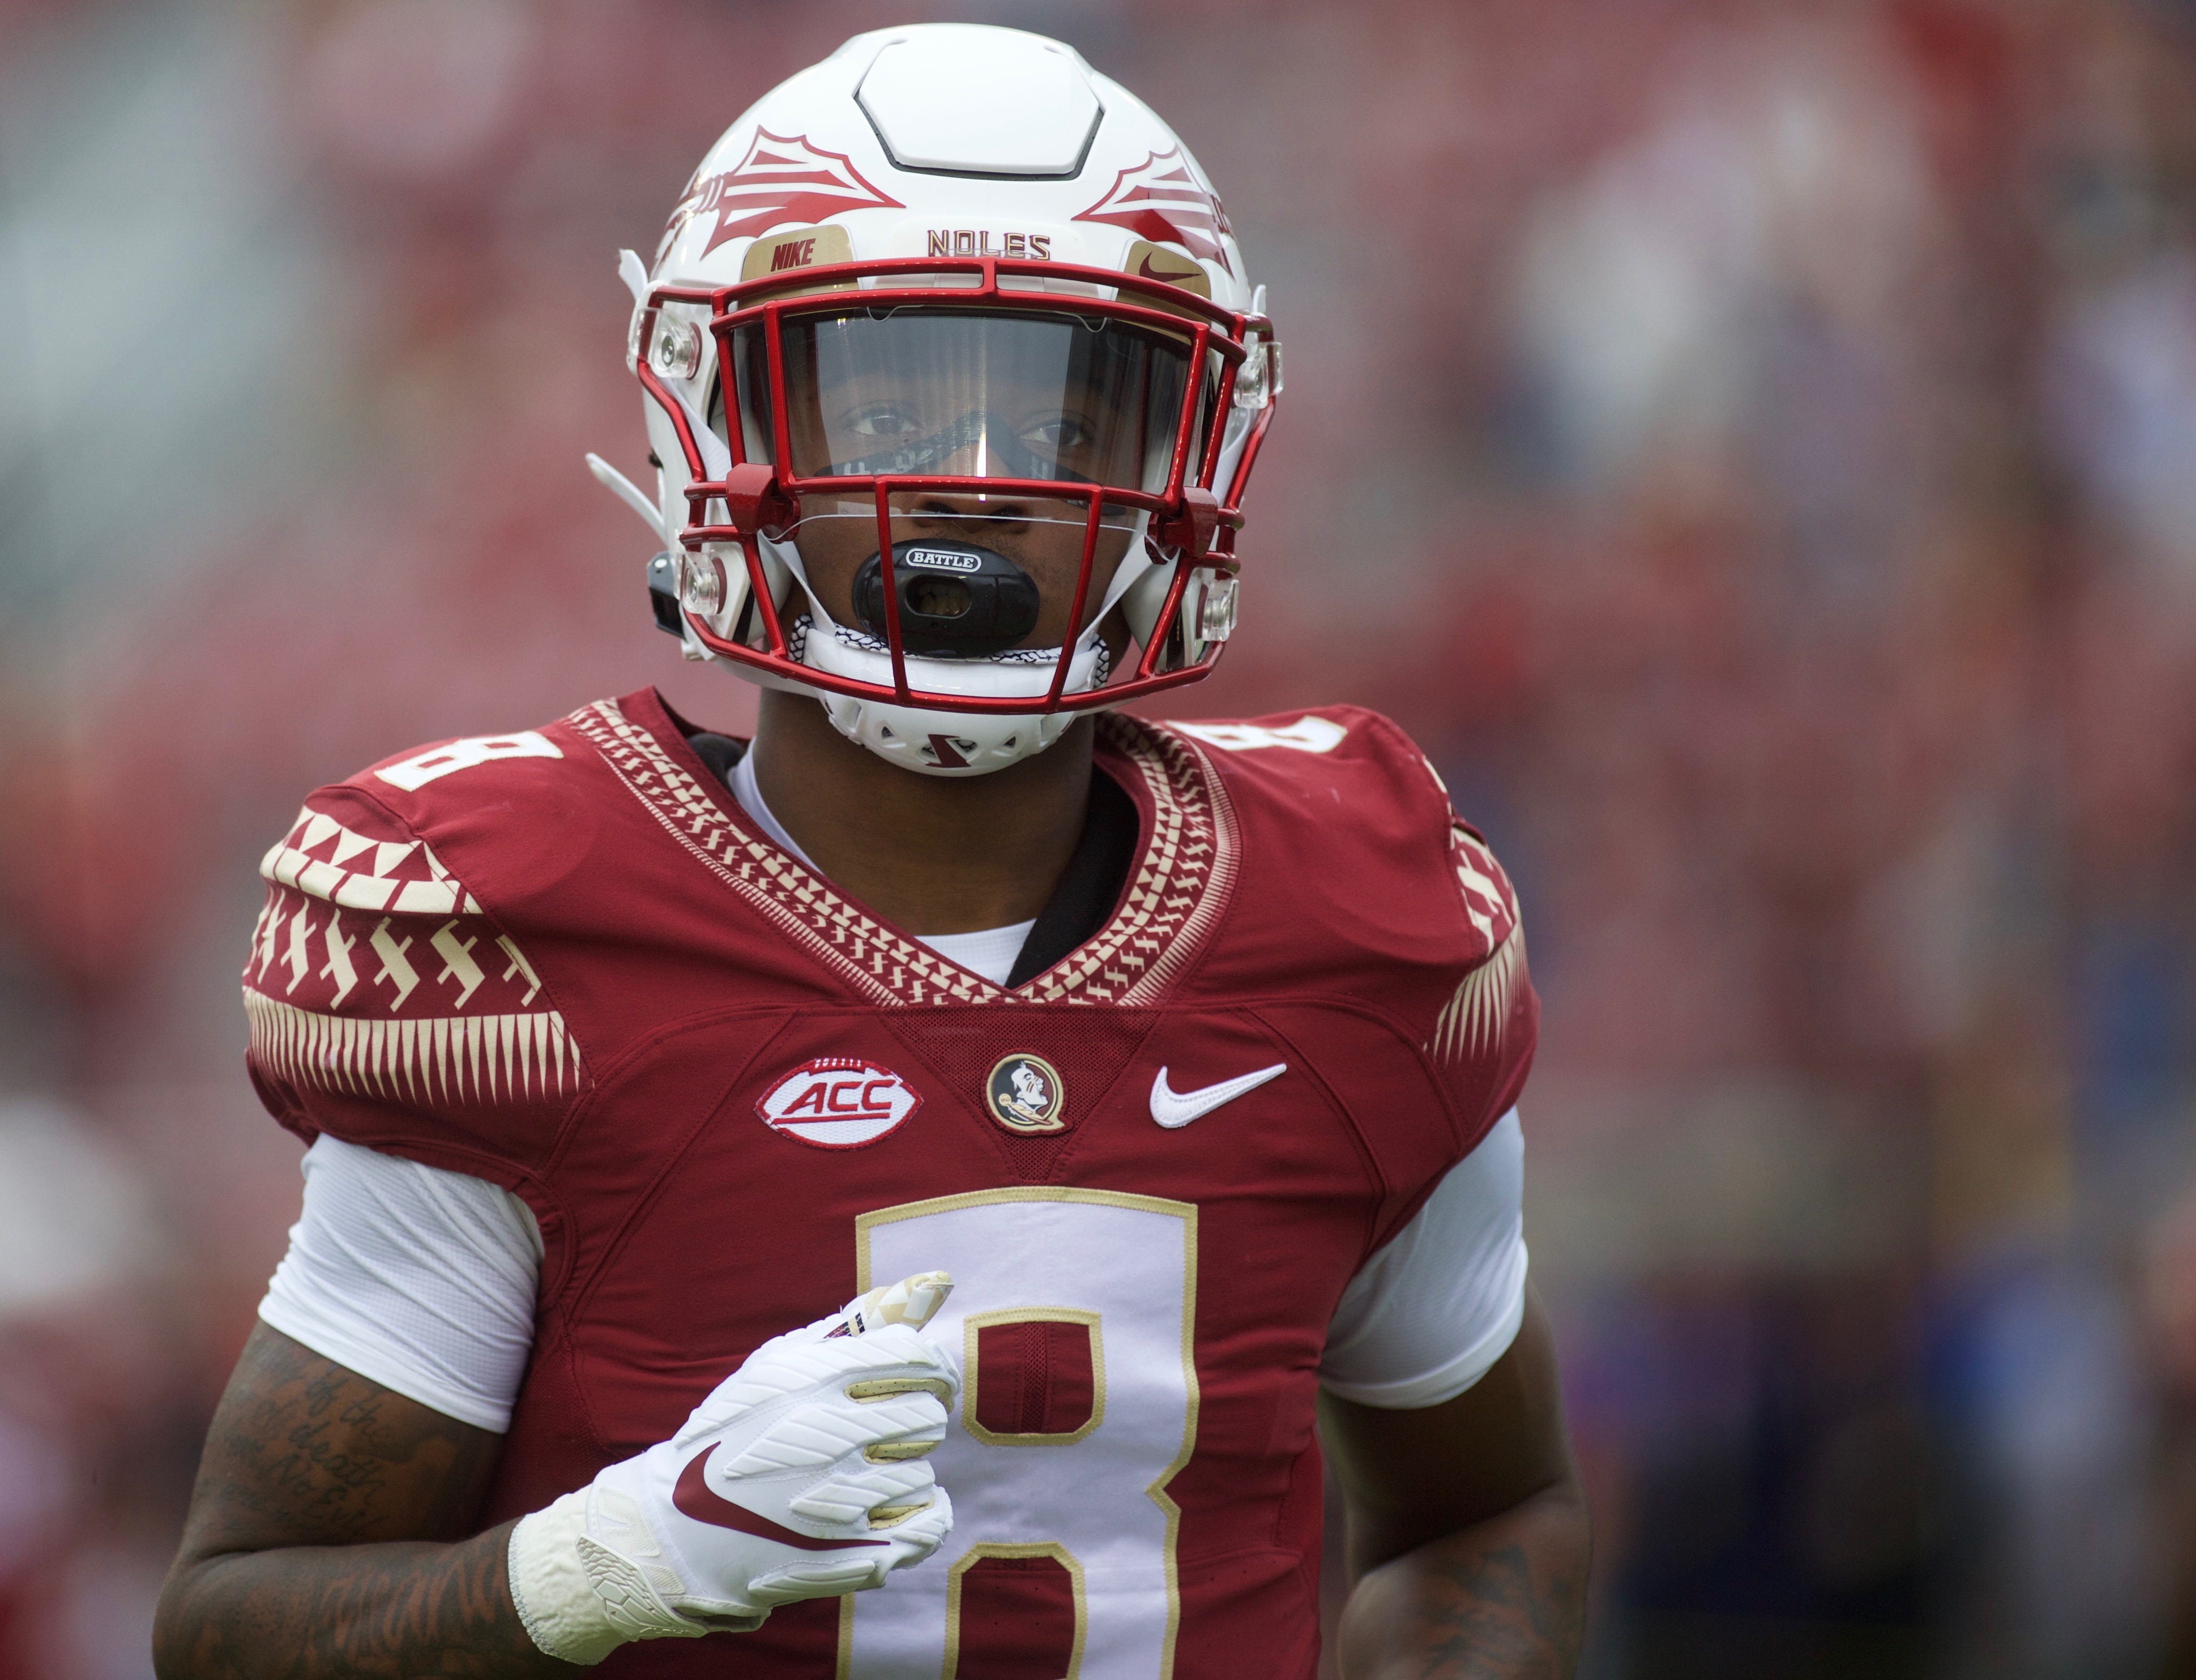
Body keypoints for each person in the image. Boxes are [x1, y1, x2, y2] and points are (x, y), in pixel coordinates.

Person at [154, 22, 1589, 1678]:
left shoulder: (1355, 930)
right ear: (712, 420)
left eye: (1059, 413)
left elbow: (1490, 1507)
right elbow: (231, 1628)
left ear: (1187, 449)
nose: (969, 485)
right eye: (883, 396)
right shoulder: (527, 945)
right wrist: (597, 1563)